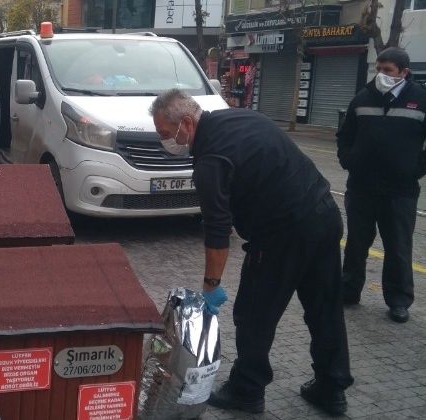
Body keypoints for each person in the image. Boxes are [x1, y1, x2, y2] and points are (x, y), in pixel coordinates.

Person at [150, 89, 354, 416]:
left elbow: (218, 230)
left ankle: (247, 389)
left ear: (186, 123)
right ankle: (332, 388)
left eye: (164, 133)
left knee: (254, 314)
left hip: (282, 234)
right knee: (325, 307)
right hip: (325, 214)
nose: (165, 141)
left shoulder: (211, 160)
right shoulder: (240, 116)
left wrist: (211, 285)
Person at [337, 47, 426, 323]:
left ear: (404, 73)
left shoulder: (421, 99)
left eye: (387, 71)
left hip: (400, 191)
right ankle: (349, 291)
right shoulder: (363, 97)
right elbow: (345, 135)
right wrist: (348, 160)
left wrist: (415, 169)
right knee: (356, 244)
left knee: (398, 247)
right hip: (362, 187)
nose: (381, 75)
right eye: (379, 69)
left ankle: (399, 300)